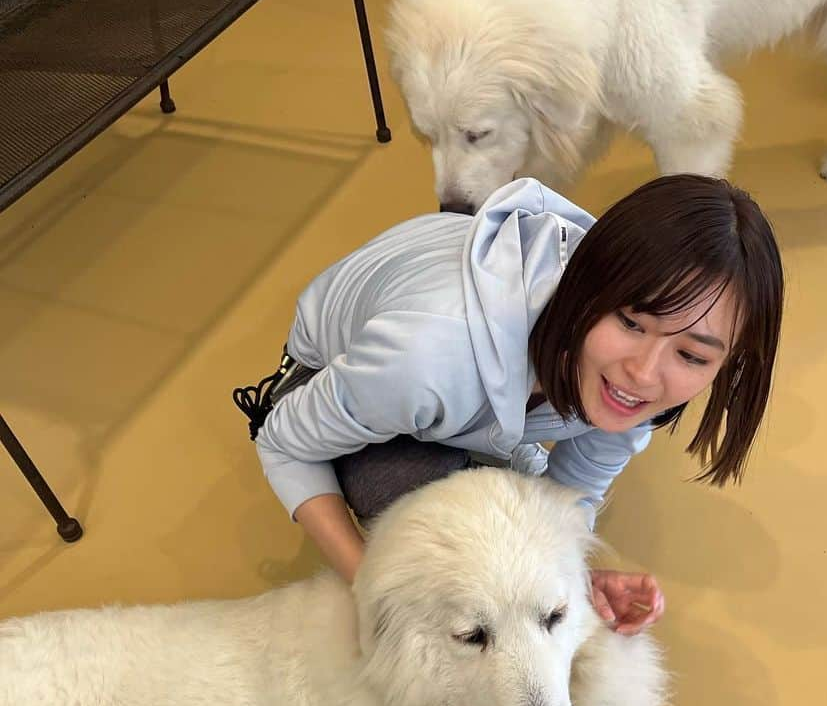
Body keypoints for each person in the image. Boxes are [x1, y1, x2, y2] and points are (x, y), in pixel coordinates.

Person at [234, 174, 783, 634]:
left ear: (727, 364)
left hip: (453, 375)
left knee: (513, 539)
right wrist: (368, 591)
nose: (643, 372)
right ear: (589, 288)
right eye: (631, 323)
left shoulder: (635, 389)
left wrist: (575, 580)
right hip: (335, 369)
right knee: (440, 549)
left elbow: (574, 495)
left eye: (691, 355)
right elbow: (282, 442)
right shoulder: (427, 360)